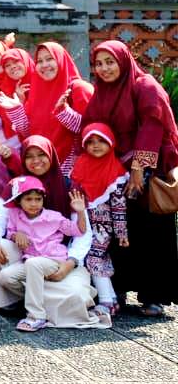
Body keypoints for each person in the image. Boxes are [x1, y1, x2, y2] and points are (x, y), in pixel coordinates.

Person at [77, 40, 178, 316]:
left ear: (123, 61)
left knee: (151, 232)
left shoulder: (144, 86)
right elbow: (91, 125)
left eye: (110, 62)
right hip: (115, 174)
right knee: (119, 230)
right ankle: (118, 288)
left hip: (148, 173)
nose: (104, 68)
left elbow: (153, 125)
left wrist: (138, 168)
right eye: (99, 64)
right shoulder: (102, 92)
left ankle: (154, 296)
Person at [0, 176, 98, 331]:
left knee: (33, 264)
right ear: (19, 201)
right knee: (5, 277)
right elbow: (9, 232)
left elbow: (79, 231)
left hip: (54, 260)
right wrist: (16, 235)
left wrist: (80, 212)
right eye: (28, 199)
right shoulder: (15, 215)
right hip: (31, 260)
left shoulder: (53, 217)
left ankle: (36, 317)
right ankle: (41, 303)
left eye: (38, 199)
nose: (34, 203)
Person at [0, 41, 92, 176]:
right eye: (39, 61)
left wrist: (63, 111)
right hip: (41, 167)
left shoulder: (79, 89)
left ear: (61, 59)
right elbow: (29, 134)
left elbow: (89, 131)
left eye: (50, 59)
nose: (44, 65)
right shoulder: (36, 90)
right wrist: (16, 110)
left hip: (71, 169)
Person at [70, 124, 130, 318]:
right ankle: (111, 300)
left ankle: (105, 302)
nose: (96, 145)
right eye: (90, 142)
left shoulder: (116, 171)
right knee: (91, 258)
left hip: (103, 227)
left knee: (94, 258)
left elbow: (119, 206)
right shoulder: (81, 164)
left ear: (111, 142)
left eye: (101, 141)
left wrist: (121, 233)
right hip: (83, 222)